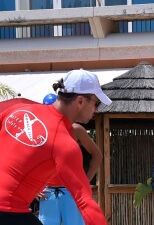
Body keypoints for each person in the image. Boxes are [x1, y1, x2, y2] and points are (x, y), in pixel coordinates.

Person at [0, 69, 111, 225]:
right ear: (80, 101)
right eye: (96, 102)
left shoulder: (18, 110)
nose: (96, 109)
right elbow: (85, 201)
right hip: (8, 212)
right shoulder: (64, 142)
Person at [38, 93, 102, 225]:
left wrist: (85, 180)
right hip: (47, 191)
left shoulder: (75, 130)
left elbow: (97, 155)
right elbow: (28, 162)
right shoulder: (40, 132)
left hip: (71, 191)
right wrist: (34, 189)